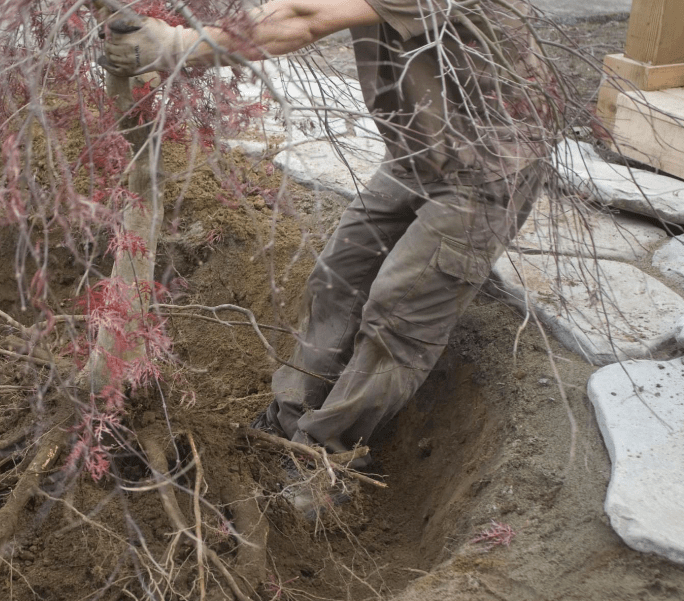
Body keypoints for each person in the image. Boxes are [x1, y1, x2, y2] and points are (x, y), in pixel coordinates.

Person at [98, 0, 553, 461]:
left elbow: (303, 18)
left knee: (397, 315)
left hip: (485, 170)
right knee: (336, 279)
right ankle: (285, 422)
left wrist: (177, 44)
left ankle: (322, 458)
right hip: (417, 154)